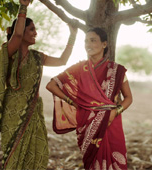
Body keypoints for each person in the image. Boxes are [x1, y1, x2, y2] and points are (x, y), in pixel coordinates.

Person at [0, 0, 78, 169]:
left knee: (37, 152)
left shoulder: (37, 57)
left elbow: (62, 60)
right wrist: (23, 6)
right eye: (32, 29)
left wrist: (72, 35)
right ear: (22, 32)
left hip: (33, 113)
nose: (36, 33)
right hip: (13, 114)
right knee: (14, 156)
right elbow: (16, 36)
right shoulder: (9, 53)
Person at [46, 27, 133, 170]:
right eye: (86, 41)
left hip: (112, 122)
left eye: (93, 40)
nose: (88, 44)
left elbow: (129, 98)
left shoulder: (116, 70)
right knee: (93, 163)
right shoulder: (79, 68)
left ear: (104, 44)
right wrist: (73, 102)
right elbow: (51, 85)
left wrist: (114, 112)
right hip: (87, 122)